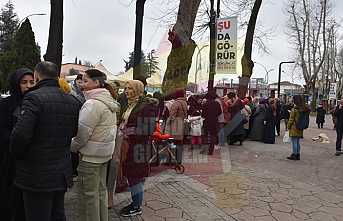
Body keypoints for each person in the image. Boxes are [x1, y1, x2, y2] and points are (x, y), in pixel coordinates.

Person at [10, 61, 82, 221]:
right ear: (57, 76)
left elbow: (20, 135)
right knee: (57, 213)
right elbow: (74, 132)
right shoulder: (72, 101)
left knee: (38, 215)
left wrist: (17, 154)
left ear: (36, 76)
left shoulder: (33, 98)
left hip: (36, 174)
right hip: (61, 171)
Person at [70, 69, 119, 221]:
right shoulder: (108, 100)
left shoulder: (92, 103)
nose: (82, 85)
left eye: (85, 81)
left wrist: (72, 147)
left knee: (88, 197)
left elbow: (82, 134)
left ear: (96, 82)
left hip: (90, 157)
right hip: (103, 155)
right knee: (100, 193)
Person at [119, 80, 159, 217]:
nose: (126, 91)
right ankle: (135, 203)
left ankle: (136, 206)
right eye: (125, 88)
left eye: (130, 88)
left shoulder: (146, 106)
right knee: (133, 175)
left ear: (138, 90)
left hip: (139, 147)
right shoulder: (131, 104)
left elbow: (148, 129)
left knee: (135, 176)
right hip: (129, 145)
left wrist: (127, 131)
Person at [0, 68, 35, 221]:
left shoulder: (36, 103)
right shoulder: (5, 104)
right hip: (9, 159)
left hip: (30, 161)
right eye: (24, 82)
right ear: (16, 84)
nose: (28, 86)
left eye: (32, 82)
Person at [164, 89, 188, 163]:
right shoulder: (184, 102)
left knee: (171, 142)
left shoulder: (176, 103)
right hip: (181, 123)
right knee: (179, 143)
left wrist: (167, 125)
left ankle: (170, 160)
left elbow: (172, 116)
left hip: (175, 125)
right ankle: (178, 160)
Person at [287, 95, 310, 160]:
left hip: (294, 127)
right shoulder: (304, 108)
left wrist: (288, 126)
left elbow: (291, 119)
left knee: (294, 141)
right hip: (300, 126)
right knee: (297, 141)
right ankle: (298, 154)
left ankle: (294, 154)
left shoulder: (295, 109)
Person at [201, 90, 222, 155]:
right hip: (215, 121)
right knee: (213, 136)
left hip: (207, 121)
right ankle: (211, 151)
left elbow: (203, 115)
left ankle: (204, 150)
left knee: (205, 136)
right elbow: (220, 112)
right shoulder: (217, 103)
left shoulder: (205, 104)